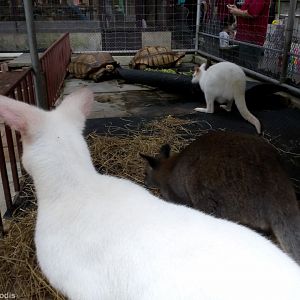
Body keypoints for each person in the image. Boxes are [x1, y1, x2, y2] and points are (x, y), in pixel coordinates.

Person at [228, 0, 270, 70]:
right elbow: (248, 11)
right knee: (242, 68)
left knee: (248, 69)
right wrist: (237, 9)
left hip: (252, 39)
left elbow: (252, 13)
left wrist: (237, 12)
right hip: (244, 37)